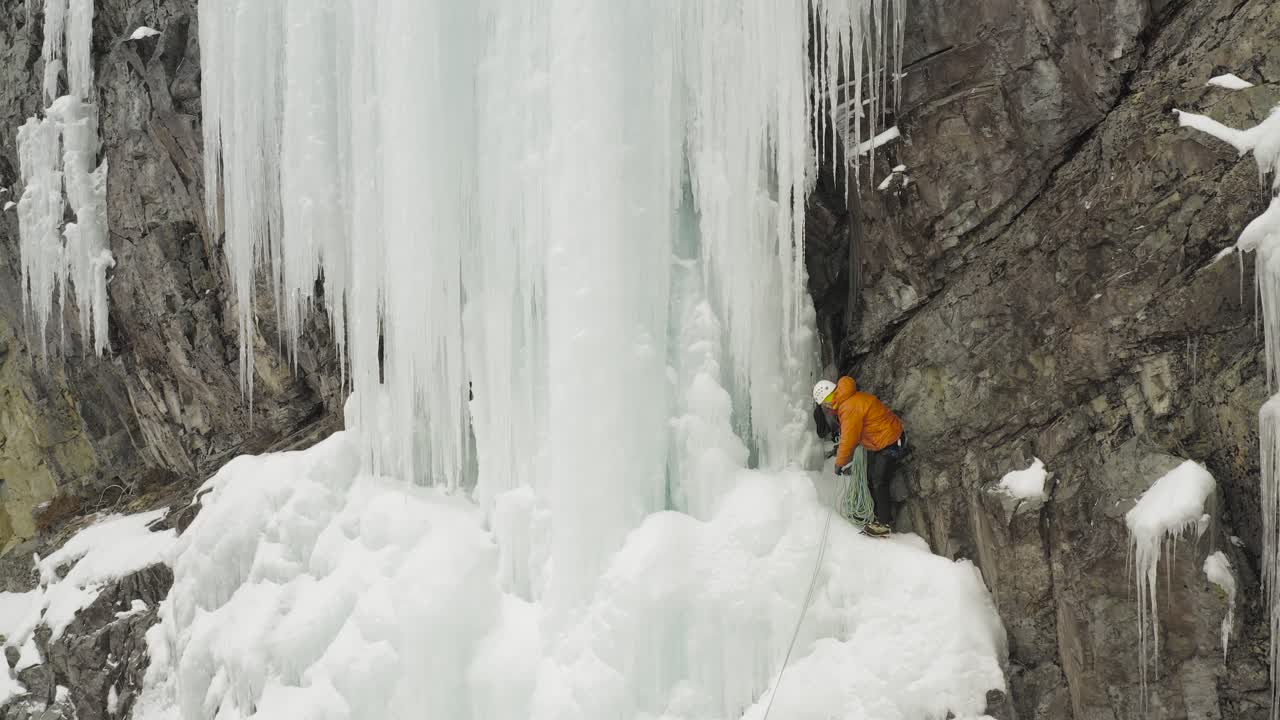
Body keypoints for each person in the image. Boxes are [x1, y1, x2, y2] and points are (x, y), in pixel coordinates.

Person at [812, 376, 907, 534]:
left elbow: (849, 438)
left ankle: (884, 524)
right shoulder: (847, 401)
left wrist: (840, 463)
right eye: (824, 403)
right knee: (871, 477)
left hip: (890, 440)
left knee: (879, 481)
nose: (827, 405)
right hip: (881, 440)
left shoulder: (848, 407)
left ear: (832, 394)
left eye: (826, 401)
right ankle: (876, 516)